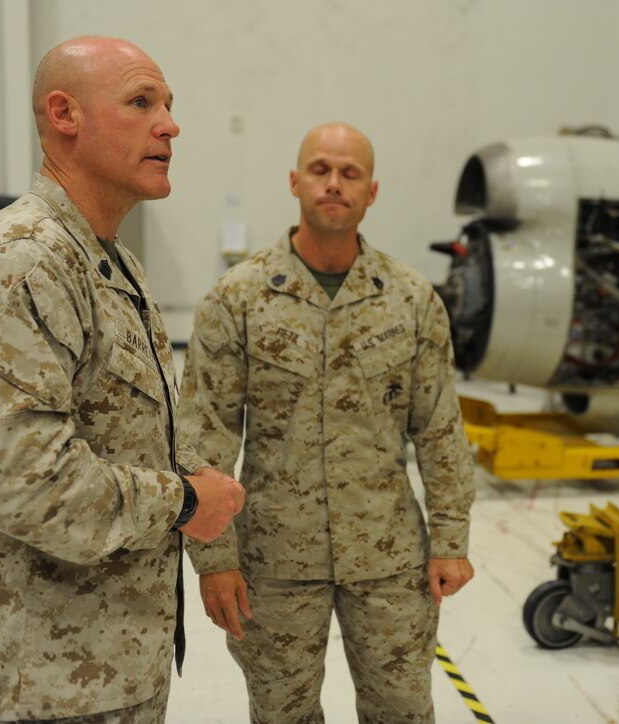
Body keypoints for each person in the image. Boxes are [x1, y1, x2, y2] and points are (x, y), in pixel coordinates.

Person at [0, 36, 245, 723]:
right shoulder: (21, 263)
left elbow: (129, 431)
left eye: (168, 105)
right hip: (52, 678)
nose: (170, 125)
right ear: (64, 114)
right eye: (141, 102)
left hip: (112, 655)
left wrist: (195, 484)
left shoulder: (106, 259)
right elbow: (20, 481)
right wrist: (185, 502)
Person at [179, 121, 476, 723]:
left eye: (350, 173)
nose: (334, 183)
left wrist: (451, 540)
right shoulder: (237, 299)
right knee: (281, 715)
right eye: (320, 170)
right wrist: (215, 560)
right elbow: (205, 438)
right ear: (295, 182)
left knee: (403, 711)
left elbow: (440, 428)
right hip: (274, 562)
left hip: (389, 557)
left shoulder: (411, 299)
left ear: (372, 191)